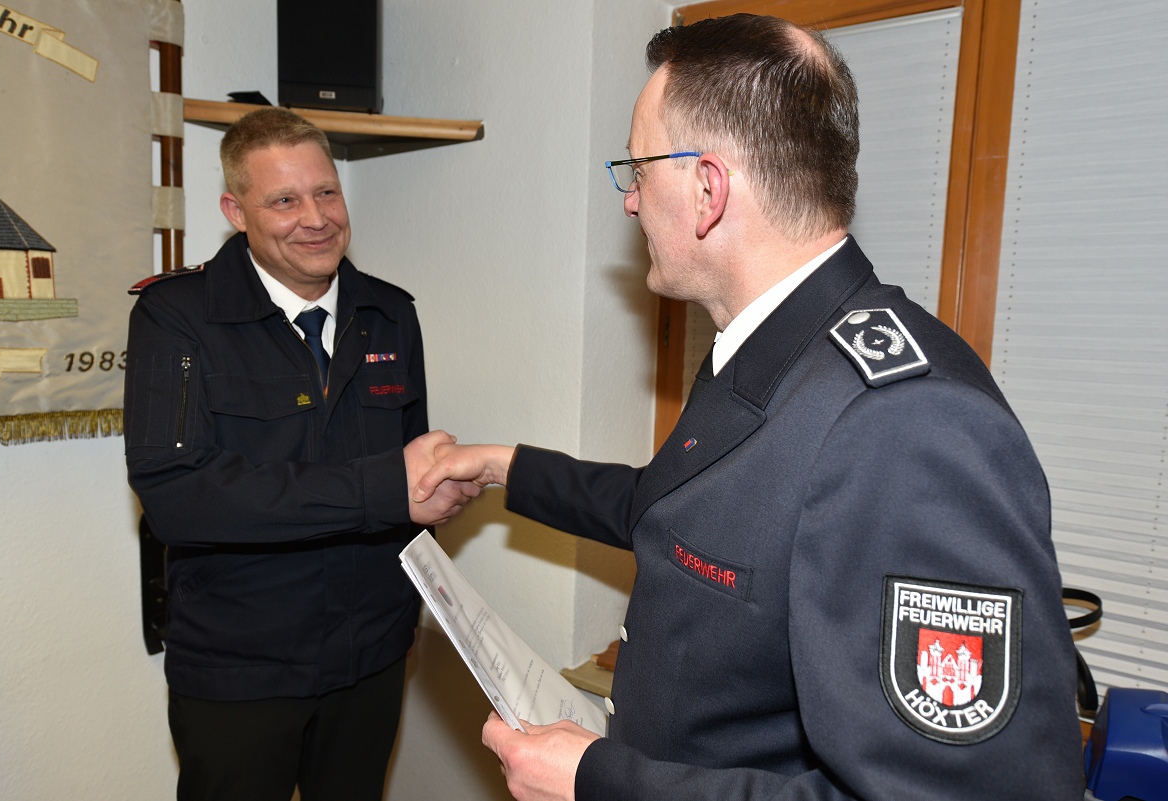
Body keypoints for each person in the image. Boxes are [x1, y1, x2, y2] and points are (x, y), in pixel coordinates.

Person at [412, 14, 1084, 801]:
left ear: (707, 188)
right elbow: (686, 516)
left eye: (638, 170)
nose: (630, 202)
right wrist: (502, 466)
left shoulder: (906, 424)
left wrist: (601, 781)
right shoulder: (774, 346)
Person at [124, 107, 477, 801]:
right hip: (240, 669)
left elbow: (410, 482)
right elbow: (177, 493)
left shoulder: (390, 313)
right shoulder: (176, 316)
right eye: (284, 200)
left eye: (326, 192)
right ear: (236, 212)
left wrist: (435, 497)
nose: (316, 218)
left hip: (371, 656)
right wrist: (384, 487)